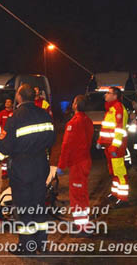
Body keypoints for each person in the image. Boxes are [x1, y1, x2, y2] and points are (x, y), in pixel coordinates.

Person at [0, 84, 55, 255]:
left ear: (19, 97)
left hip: (22, 168)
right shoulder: (44, 114)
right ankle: (41, 243)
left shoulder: (16, 118)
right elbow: (52, 139)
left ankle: (27, 246)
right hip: (41, 165)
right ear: (34, 97)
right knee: (39, 205)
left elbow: (4, 146)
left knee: (24, 208)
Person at [56, 95, 94, 230]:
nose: (72, 104)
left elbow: (66, 146)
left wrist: (61, 166)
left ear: (76, 105)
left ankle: (82, 226)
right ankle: (84, 222)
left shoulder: (73, 123)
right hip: (85, 160)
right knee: (82, 193)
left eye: (73, 102)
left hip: (78, 163)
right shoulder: (88, 121)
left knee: (77, 195)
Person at [96, 86, 130, 207]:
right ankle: (115, 193)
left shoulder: (118, 108)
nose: (106, 95)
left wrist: (115, 147)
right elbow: (106, 128)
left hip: (116, 147)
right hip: (109, 146)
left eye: (108, 93)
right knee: (113, 171)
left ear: (115, 96)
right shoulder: (111, 108)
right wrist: (100, 141)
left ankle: (123, 197)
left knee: (120, 172)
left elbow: (119, 130)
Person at [0, 98, 14, 179]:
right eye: (6, 102)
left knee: (12, 156)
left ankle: (11, 172)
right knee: (4, 157)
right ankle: (4, 173)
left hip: (12, 139)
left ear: (12, 104)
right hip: (3, 138)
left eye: (9, 102)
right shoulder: (2, 113)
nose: (7, 103)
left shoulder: (14, 113)